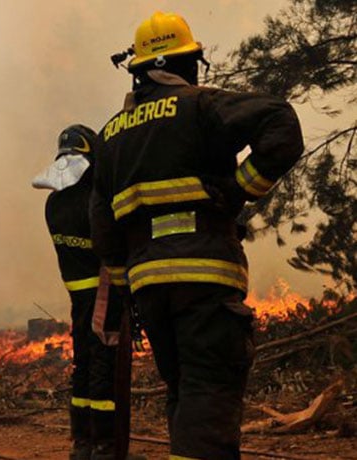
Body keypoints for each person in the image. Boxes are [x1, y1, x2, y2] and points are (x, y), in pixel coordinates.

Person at [90, 11, 304, 460]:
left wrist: (127, 287)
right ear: (185, 64)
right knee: (208, 392)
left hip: (149, 289)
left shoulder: (109, 137)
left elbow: (103, 224)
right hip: (205, 277)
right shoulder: (200, 106)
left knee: (184, 392)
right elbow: (282, 124)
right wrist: (242, 188)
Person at [33, 125, 144, 460]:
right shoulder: (95, 202)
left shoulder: (53, 204)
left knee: (82, 363)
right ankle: (106, 446)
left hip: (78, 296)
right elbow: (114, 242)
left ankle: (82, 443)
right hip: (104, 294)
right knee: (105, 367)